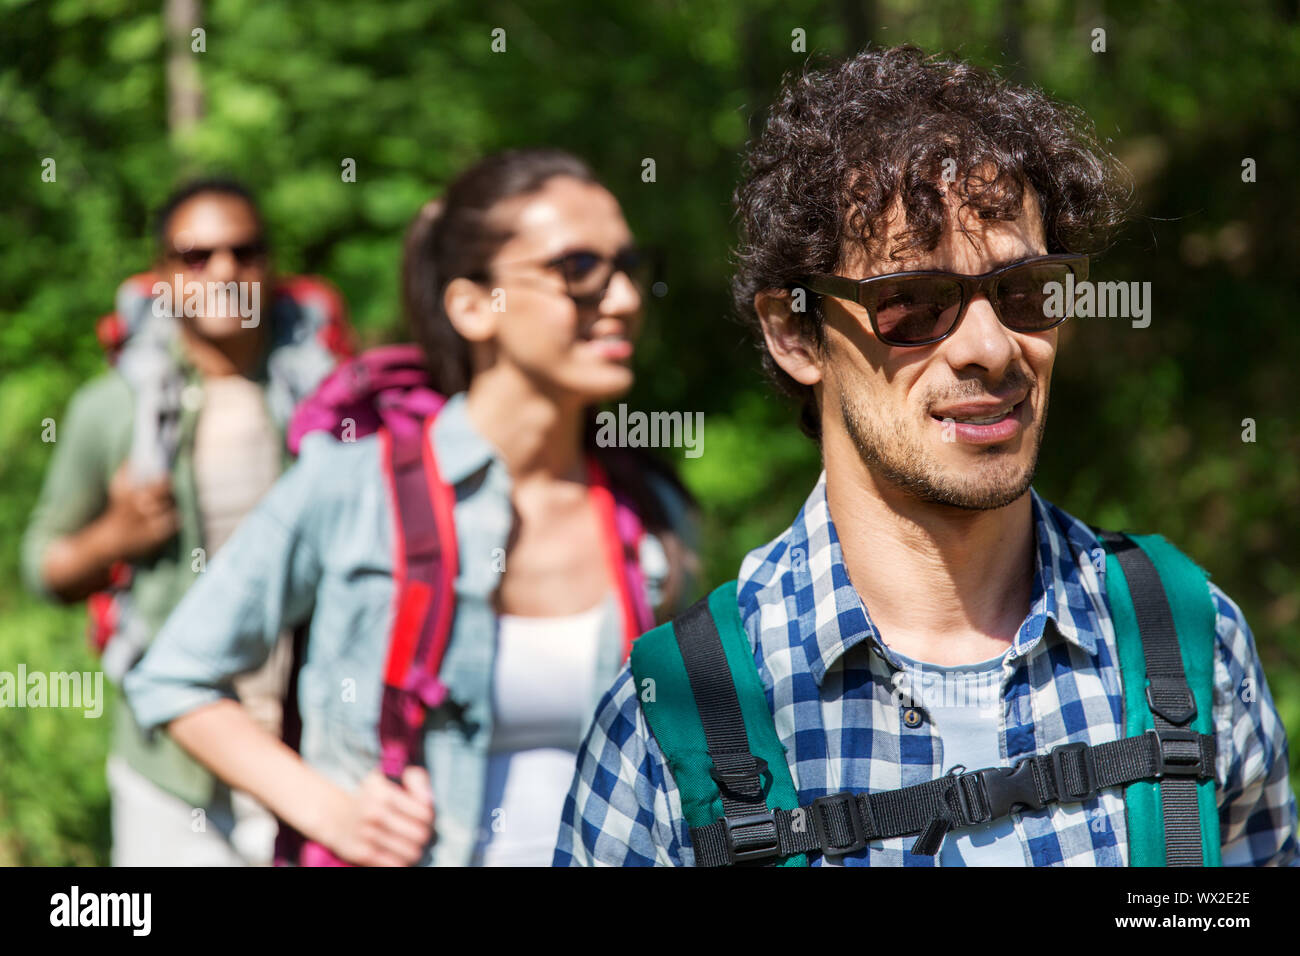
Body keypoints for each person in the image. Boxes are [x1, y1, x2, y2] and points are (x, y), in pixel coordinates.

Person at [555, 45, 1299, 867]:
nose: (991, 346)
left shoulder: (1190, 642)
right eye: (911, 304)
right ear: (796, 333)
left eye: (1027, 293)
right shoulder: (676, 722)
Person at [124, 148, 698, 867]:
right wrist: (329, 811)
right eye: (578, 270)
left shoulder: (650, 515)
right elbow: (173, 674)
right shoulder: (351, 486)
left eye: (628, 267)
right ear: (470, 306)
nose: (623, 299)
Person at [22, 177, 352, 865]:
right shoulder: (111, 410)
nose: (224, 271)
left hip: (314, 754)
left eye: (245, 251)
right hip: (169, 768)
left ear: (271, 267)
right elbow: (43, 567)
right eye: (196, 256)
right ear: (163, 276)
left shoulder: (331, 402)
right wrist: (114, 535)